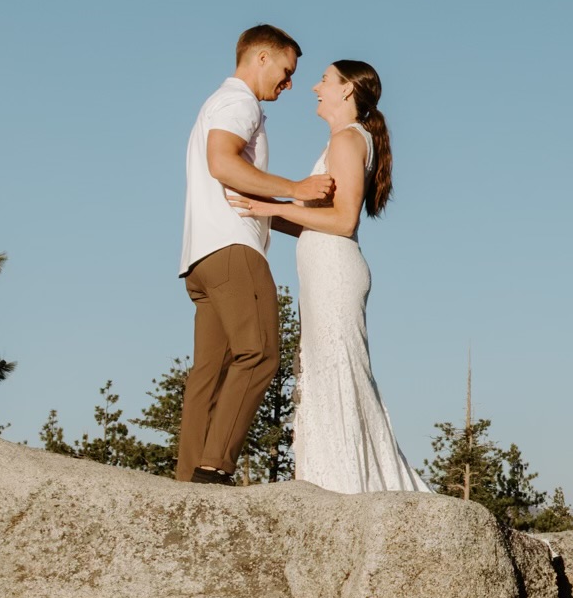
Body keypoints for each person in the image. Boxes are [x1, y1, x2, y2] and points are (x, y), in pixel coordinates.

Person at [233, 59, 425, 493]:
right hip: (324, 270)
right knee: (322, 372)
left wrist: (270, 206)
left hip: (336, 272)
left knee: (338, 372)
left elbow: (343, 221)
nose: (315, 88)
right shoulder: (345, 140)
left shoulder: (347, 140)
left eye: (324, 80)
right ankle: (327, 479)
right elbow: (314, 223)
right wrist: (259, 212)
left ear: (346, 90)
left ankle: (350, 485)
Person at [178, 25, 331, 484]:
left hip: (202, 257)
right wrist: (296, 188)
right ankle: (213, 468)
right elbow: (222, 163)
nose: (289, 83)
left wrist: (300, 218)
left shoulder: (217, 102)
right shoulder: (239, 102)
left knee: (209, 373)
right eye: (286, 70)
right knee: (260, 354)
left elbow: (238, 188)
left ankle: (188, 481)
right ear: (262, 57)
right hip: (233, 251)